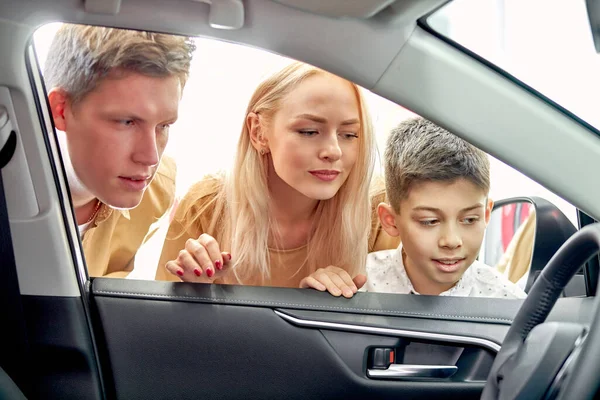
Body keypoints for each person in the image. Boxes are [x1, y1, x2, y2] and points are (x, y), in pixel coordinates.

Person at [155, 62, 399, 297]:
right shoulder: (206, 205)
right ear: (258, 132)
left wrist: (329, 308)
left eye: (349, 134)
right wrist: (194, 300)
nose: (334, 151)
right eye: (309, 132)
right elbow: (161, 327)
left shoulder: (378, 212)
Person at [44, 24, 196, 277]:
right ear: (61, 110)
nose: (150, 158)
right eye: (127, 122)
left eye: (164, 125)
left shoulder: (157, 190)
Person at [365, 118, 526, 298]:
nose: (451, 241)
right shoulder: (357, 286)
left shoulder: (509, 303)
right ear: (390, 220)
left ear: (487, 214)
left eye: (469, 219)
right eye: (430, 221)